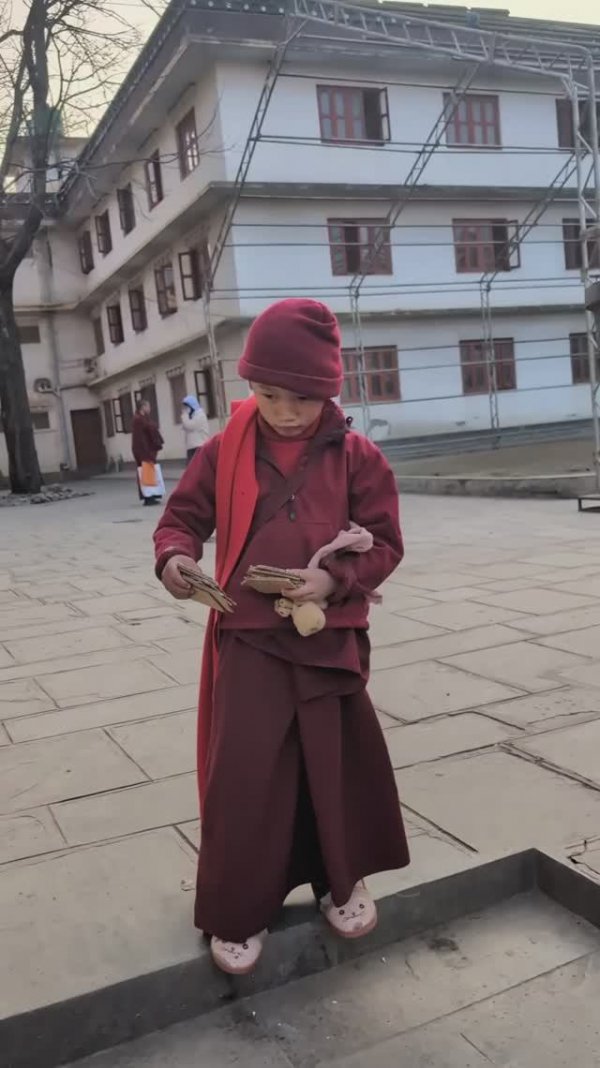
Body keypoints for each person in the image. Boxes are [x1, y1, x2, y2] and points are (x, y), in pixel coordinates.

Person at [153, 298, 409, 975]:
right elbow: (181, 516)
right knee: (246, 772)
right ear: (249, 386)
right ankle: (238, 909)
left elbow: (384, 543)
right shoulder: (225, 449)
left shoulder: (357, 455)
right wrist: (176, 559)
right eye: (269, 395)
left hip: (327, 638)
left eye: (302, 398)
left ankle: (339, 881)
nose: (286, 411)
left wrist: (334, 581)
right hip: (249, 637)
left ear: (329, 392)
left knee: (334, 764)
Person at [131, 398, 164, 506]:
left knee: (149, 473)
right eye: (148, 406)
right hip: (143, 450)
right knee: (146, 473)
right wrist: (145, 452)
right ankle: (148, 497)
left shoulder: (143, 418)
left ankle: (152, 495)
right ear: (143, 407)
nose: (149, 409)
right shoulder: (138, 419)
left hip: (147, 449)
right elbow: (140, 437)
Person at [181, 394, 210, 464]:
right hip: (192, 447)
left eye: (186, 406)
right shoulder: (192, 416)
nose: (185, 409)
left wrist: (184, 415)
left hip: (199, 447)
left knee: (197, 468)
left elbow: (189, 425)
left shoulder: (200, 415)